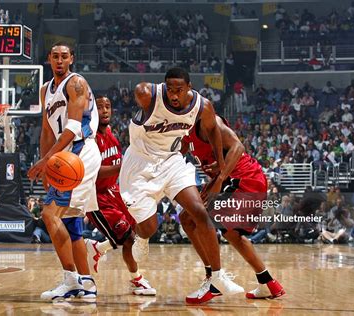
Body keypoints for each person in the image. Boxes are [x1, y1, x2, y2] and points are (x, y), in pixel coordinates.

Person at [119, 67, 243, 299]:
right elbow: (143, 91)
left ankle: (217, 276)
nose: (174, 95)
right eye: (170, 89)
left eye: (179, 90)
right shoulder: (147, 94)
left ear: (189, 88)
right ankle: (143, 237)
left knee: (199, 212)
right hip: (139, 164)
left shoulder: (202, 106)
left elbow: (213, 130)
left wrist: (219, 163)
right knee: (149, 227)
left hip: (171, 161)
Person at [181, 115, 285, 303]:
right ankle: (268, 282)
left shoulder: (208, 122)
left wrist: (219, 180)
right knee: (226, 232)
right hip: (231, 177)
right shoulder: (182, 131)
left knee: (200, 218)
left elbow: (238, 147)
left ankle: (214, 280)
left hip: (244, 177)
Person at [27, 42, 101, 301]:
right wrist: (46, 165)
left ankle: (71, 280)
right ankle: (87, 283)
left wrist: (48, 159)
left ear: (72, 59)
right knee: (69, 222)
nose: (59, 60)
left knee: (49, 214)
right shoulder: (45, 90)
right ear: (48, 59)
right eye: (55, 56)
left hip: (79, 151)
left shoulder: (76, 82)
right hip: (63, 156)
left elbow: (72, 127)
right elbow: (47, 131)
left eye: (64, 56)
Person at [84, 96, 156, 295]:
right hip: (97, 198)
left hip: (114, 191)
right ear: (92, 111)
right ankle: (136, 280)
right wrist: (122, 166)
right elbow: (95, 172)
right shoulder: (89, 138)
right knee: (129, 240)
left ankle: (99, 248)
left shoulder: (112, 135)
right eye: (99, 107)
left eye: (108, 106)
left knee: (138, 228)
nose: (105, 110)